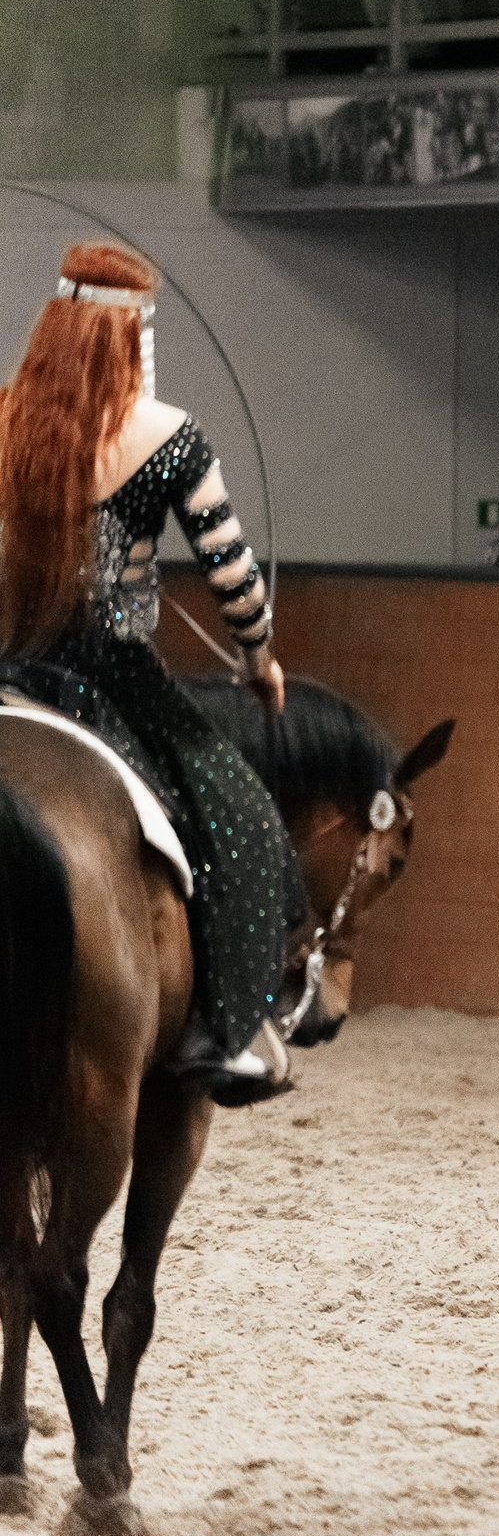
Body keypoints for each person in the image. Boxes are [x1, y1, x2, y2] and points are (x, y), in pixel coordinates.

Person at [0, 244, 300, 1106]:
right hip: (111, 676)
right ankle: (222, 1032)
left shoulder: (6, 420)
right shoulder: (166, 435)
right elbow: (234, 578)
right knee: (237, 813)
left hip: (10, 660)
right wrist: (259, 659)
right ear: (128, 332)